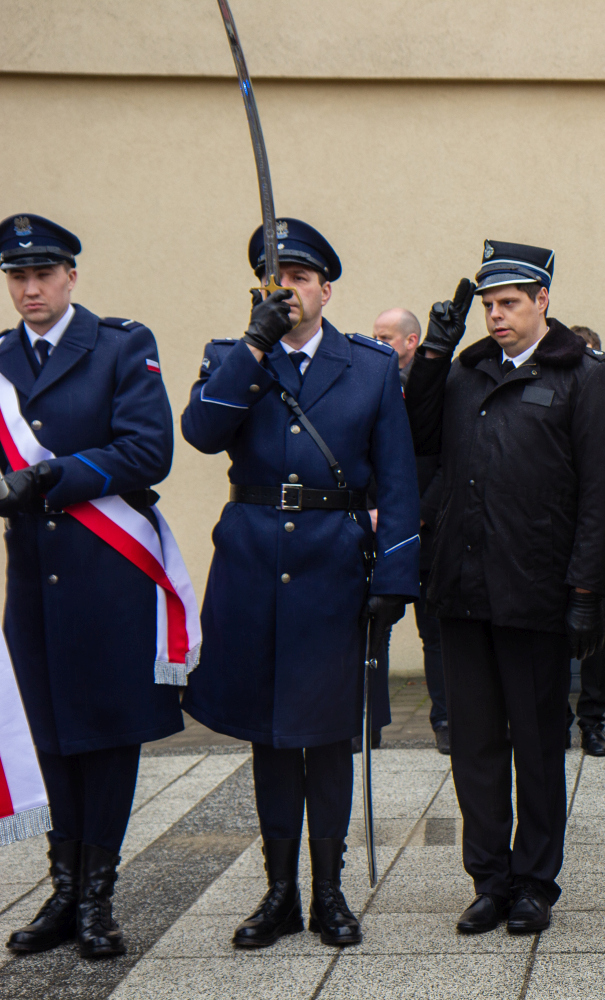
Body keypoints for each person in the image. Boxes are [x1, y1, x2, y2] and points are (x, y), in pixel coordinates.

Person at [181, 218, 419, 949]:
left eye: (299, 279)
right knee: (271, 738)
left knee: (329, 735)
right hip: (254, 570)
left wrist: (396, 575)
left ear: (325, 290)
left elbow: (399, 481)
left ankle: (328, 893)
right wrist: (253, 347)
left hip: (334, 571)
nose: (286, 291)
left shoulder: (369, 366)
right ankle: (279, 892)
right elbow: (201, 433)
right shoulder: (233, 358)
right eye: (273, 280)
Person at [404, 242, 605, 936]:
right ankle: (489, 880)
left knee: (535, 746)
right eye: (489, 305)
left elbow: (601, 496)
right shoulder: (465, 372)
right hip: (463, 587)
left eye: (509, 303)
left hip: (535, 591)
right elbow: (418, 439)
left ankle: (534, 882)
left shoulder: (586, 377)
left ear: (543, 301)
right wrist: (433, 355)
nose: (496, 316)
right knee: (474, 746)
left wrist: (586, 590)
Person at [0, 214, 181, 959]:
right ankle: (64, 892)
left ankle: (99, 899)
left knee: (106, 735)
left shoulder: (120, 346)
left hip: (107, 574)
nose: (30, 288)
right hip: (33, 584)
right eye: (17, 276)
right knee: (48, 735)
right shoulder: (0, 358)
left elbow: (148, 450)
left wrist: (52, 475)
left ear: (71, 277)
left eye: (43, 274)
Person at [371, 307, 449, 753]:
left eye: (385, 337)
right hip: (379, 529)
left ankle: (446, 722)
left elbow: (450, 458)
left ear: (411, 341)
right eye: (375, 336)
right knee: (374, 630)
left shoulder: (439, 388)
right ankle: (369, 722)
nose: (377, 343)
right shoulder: (367, 384)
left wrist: (418, 513)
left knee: (435, 633)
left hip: (428, 531)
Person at [564, 324, 605, 757]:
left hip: (601, 548)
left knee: (597, 645)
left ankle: (593, 723)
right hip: (554, 548)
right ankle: (557, 720)